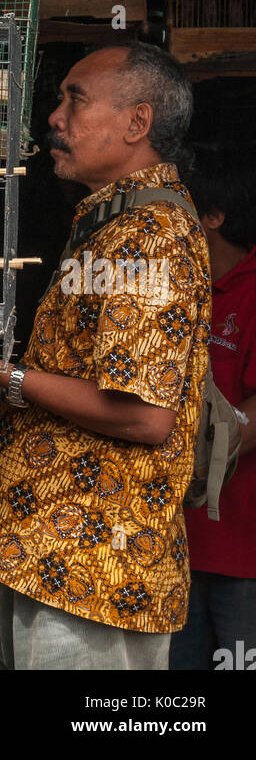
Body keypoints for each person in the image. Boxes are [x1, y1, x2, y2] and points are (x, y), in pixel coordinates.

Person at [0, 43, 211, 670]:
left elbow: (146, 416)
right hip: (45, 557)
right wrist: (0, 391)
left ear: (136, 123)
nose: (55, 117)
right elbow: (81, 383)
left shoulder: (151, 239)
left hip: (92, 572)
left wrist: (5, 377)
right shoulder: (110, 226)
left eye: (76, 98)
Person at [169, 144, 256, 670]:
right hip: (174, 540)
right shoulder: (177, 288)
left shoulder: (250, 291)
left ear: (214, 217)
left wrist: (192, 457)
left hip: (241, 542)